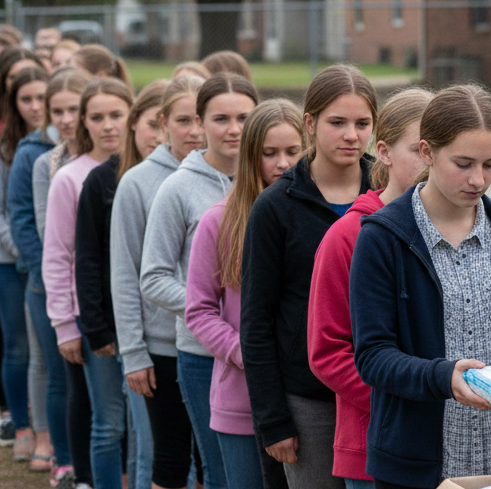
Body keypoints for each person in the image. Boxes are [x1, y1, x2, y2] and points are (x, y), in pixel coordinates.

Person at [350, 85, 491, 489]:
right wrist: (443, 377)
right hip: (414, 466)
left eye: (490, 164)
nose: (478, 179)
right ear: (427, 152)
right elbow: (372, 356)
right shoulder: (382, 237)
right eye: (463, 163)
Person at [240, 64, 376, 489]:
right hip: (308, 400)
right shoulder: (276, 206)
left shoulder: (390, 196)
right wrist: (273, 420)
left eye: (362, 123)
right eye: (337, 122)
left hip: (376, 390)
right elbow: (256, 320)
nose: (351, 135)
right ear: (310, 123)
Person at [307, 88, 433, 489]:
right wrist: (410, 402)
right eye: (420, 149)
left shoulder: (469, 230)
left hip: (456, 439)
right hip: (375, 447)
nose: (432, 162)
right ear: (384, 151)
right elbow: (328, 352)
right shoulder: (348, 235)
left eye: (442, 148)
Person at [140, 71, 259, 489]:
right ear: (201, 122)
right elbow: (152, 277)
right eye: (220, 118)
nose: (234, 130)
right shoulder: (177, 189)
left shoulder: (273, 182)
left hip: (266, 357)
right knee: (222, 475)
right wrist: (209, 308)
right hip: (203, 355)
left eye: (244, 117)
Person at [185, 98, 305, 489]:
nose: (282, 163)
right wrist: (248, 354)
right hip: (241, 398)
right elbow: (200, 310)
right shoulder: (218, 221)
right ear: (251, 156)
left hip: (306, 398)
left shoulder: (313, 220)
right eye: (270, 153)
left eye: (293, 151)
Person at [111, 75, 204, 489]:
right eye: (184, 120)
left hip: (219, 345)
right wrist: (134, 352)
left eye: (204, 118)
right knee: (168, 458)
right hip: (163, 345)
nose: (196, 130)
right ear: (162, 123)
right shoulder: (138, 182)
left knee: (210, 460)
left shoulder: (237, 175)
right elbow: (127, 273)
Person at [77, 78, 168, 489]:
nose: (161, 135)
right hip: (121, 327)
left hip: (167, 332)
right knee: (114, 424)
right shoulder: (108, 180)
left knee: (146, 436)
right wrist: (95, 326)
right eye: (154, 123)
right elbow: (91, 259)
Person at [43, 77, 134, 489]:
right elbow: (60, 255)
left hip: (136, 318)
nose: (109, 125)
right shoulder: (70, 177)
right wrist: (66, 323)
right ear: (83, 122)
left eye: (117, 115)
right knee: (108, 420)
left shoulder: (142, 171)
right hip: (93, 317)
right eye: (97, 117)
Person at [7, 66, 91, 485]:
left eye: (72, 109)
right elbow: (41, 227)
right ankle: (63, 453)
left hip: (93, 287)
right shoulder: (43, 162)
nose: (63, 118)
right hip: (52, 281)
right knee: (59, 374)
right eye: (56, 110)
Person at [0, 65, 49, 462]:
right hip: (9, 263)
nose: (36, 106)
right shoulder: (0, 148)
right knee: (17, 347)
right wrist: (24, 250)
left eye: (42, 98)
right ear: (14, 103)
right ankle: (20, 423)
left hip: (46, 263)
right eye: (26, 99)